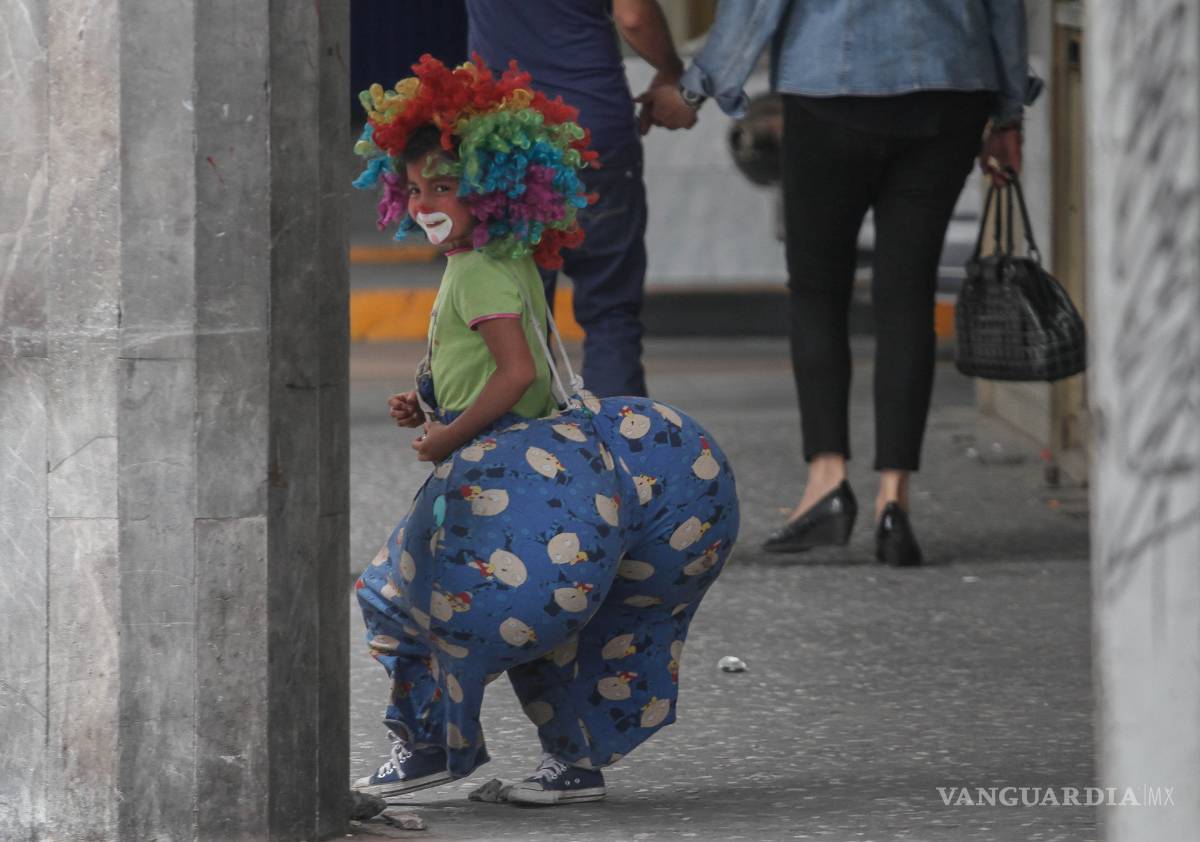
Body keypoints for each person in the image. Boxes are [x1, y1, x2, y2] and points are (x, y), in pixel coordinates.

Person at [349, 57, 740, 806]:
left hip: (508, 471)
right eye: (418, 186)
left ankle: (430, 746)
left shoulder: (478, 273)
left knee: (396, 595)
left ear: (493, 188)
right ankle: (574, 764)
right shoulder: (496, 257)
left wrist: (445, 436)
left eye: (446, 186)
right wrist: (426, 401)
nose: (427, 202)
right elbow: (489, 363)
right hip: (552, 466)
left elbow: (515, 374)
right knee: (553, 627)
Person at [641, 0, 1029, 566]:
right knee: (908, 295)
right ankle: (894, 501)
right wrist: (1010, 111)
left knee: (819, 293)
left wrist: (696, 88)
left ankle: (827, 481)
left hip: (830, 90)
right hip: (950, 92)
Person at [463, 0, 690, 399]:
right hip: (590, 127)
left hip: (503, 136)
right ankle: (618, 450)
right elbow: (633, 15)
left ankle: (526, 456)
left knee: (517, 321)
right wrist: (671, 70)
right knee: (610, 312)